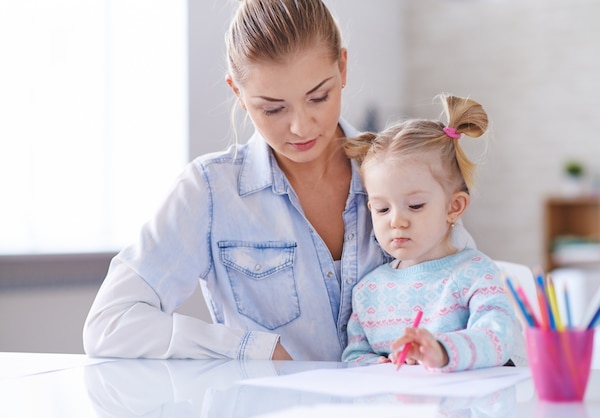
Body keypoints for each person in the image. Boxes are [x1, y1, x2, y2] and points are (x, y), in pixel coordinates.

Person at [83, 0, 475, 361]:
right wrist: (251, 349)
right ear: (237, 92)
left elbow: (472, 296)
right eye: (272, 108)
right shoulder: (209, 191)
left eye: (318, 97)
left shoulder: (406, 172)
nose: (301, 126)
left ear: (342, 68)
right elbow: (109, 324)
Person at [341, 94, 526, 370]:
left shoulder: (475, 274)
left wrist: (442, 351)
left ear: (454, 206)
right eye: (381, 209)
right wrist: (375, 364)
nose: (397, 221)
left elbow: (498, 338)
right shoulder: (367, 290)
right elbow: (353, 356)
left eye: (415, 205)